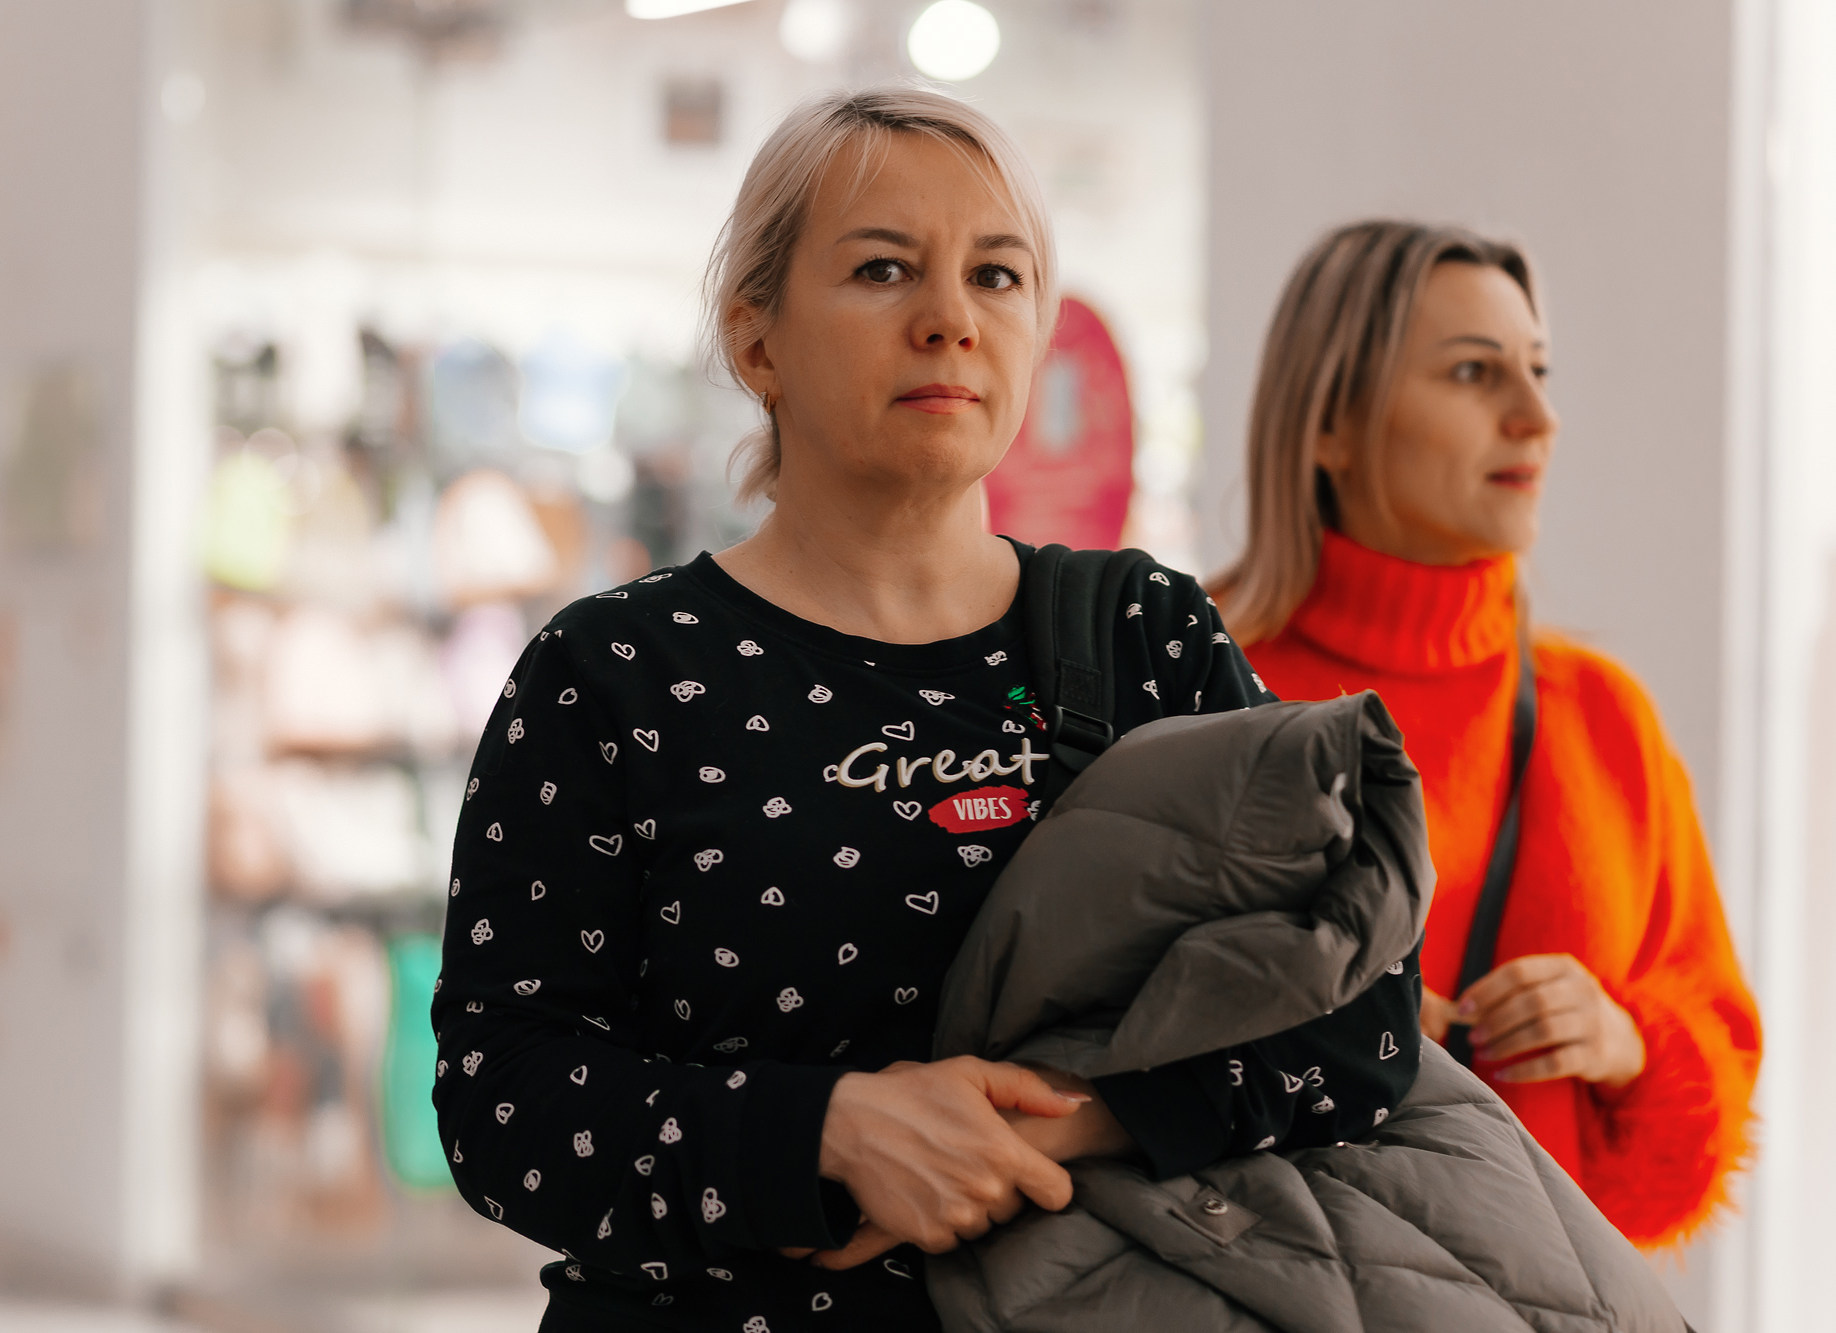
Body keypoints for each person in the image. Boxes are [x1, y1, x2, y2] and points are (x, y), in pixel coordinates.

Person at [434, 90, 1422, 1332]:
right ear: (756, 341)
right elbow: (502, 1099)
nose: (950, 319)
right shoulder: (612, 673)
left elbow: (1363, 1010)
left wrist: (1067, 1121)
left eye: (996, 276)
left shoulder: (1145, 636)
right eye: (882, 269)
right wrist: (825, 1131)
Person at [1210, 220, 1761, 1247]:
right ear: (1330, 424)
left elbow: (1715, 1077)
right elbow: (1084, 1044)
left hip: (1531, 1294)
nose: (1536, 417)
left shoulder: (1599, 715)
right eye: (1473, 372)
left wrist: (1622, 1042)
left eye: (1537, 371)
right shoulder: (1194, 688)